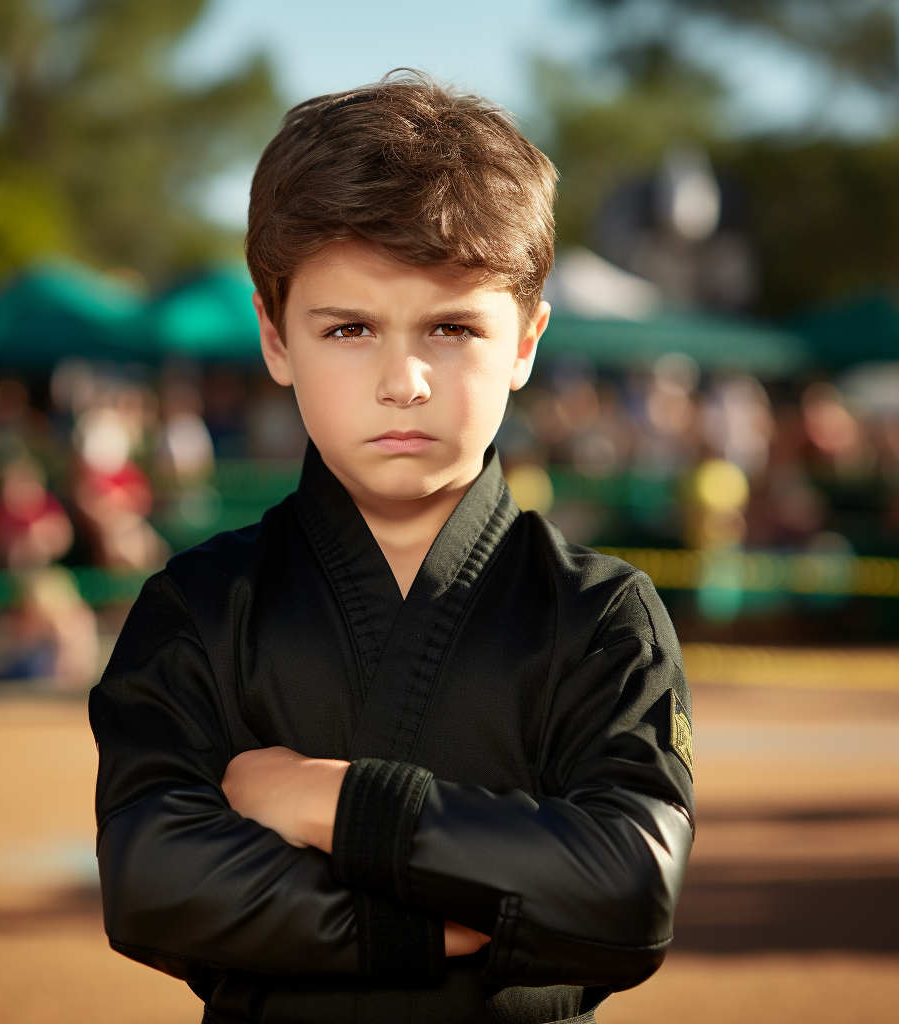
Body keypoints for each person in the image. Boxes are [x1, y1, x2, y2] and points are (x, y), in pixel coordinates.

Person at [90, 73, 694, 1024]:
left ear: (528, 341)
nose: (403, 381)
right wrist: (425, 927)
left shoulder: (601, 615)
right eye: (349, 328)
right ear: (275, 337)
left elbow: (625, 890)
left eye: (453, 327)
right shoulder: (201, 605)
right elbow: (154, 879)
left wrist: (327, 802)